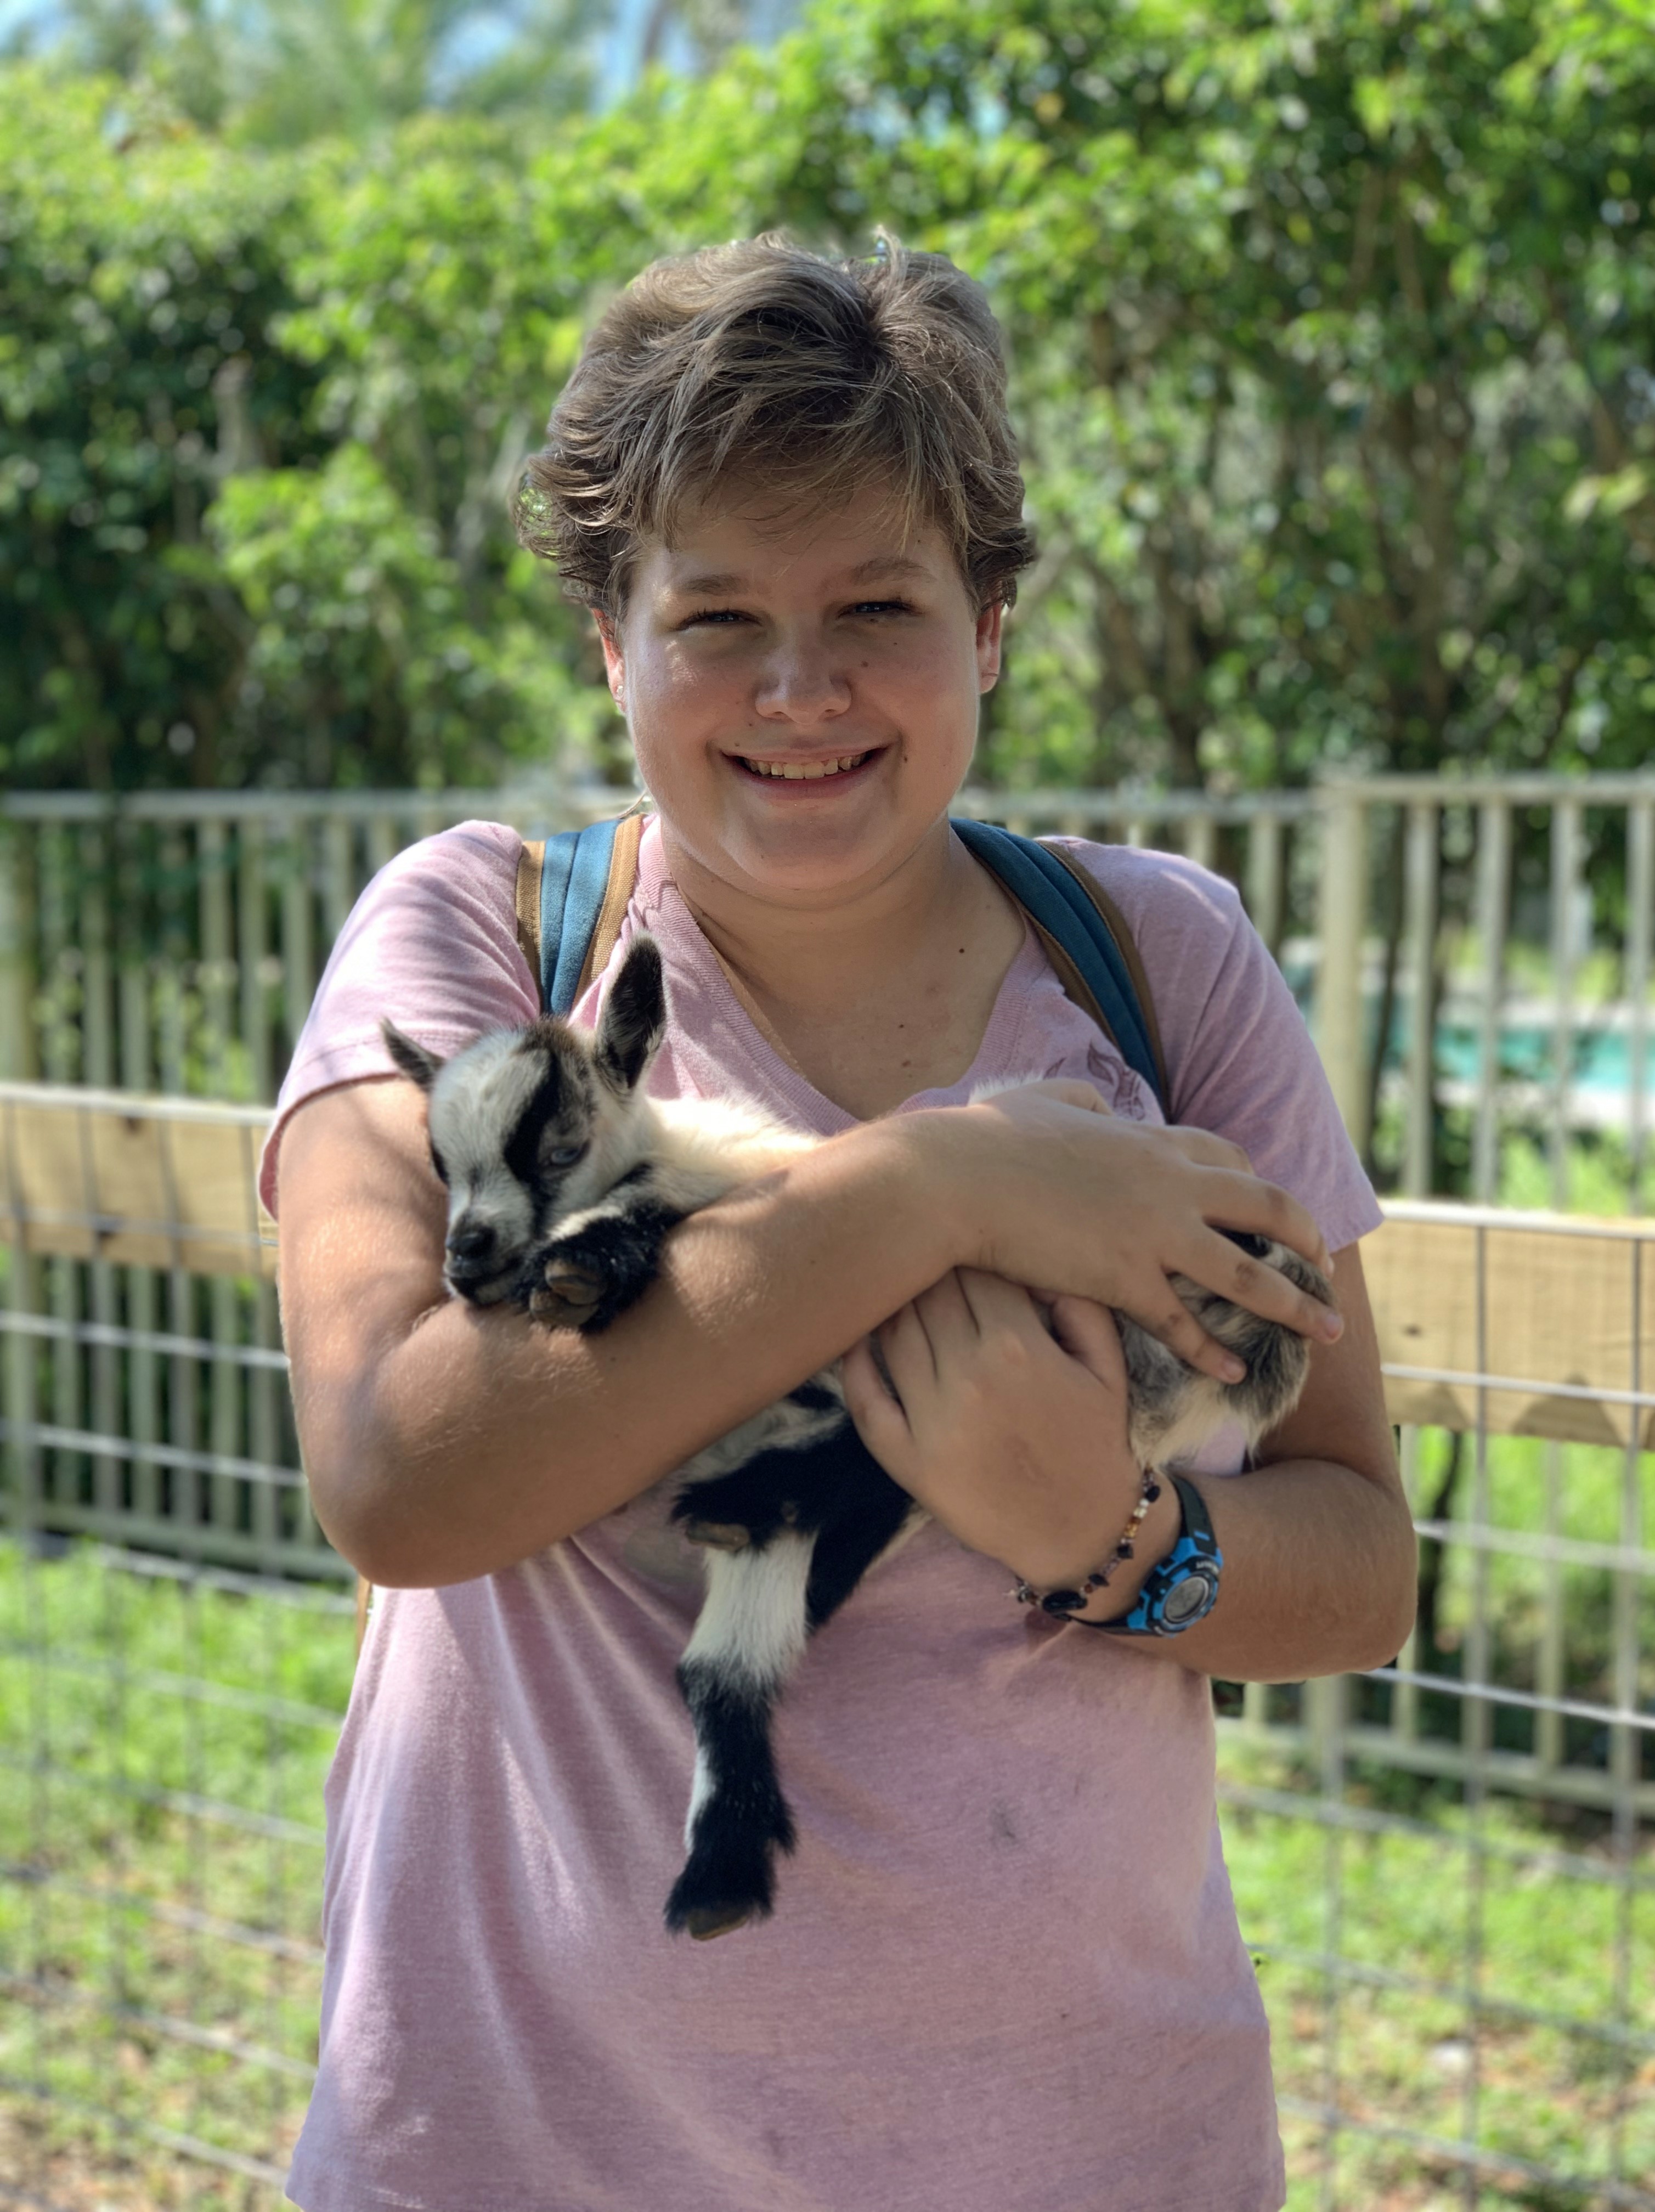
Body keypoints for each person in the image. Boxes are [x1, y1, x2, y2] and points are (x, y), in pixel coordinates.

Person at [266, 235, 1415, 2212]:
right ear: (609, 642)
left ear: (990, 625)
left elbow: (1361, 1549)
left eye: (879, 602)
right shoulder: (478, 941)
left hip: (1082, 2152)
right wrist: (942, 1182)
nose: (801, 691)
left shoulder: (1162, 968)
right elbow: (397, 1474)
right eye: (715, 616)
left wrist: (1118, 1541)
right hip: (524, 2153)